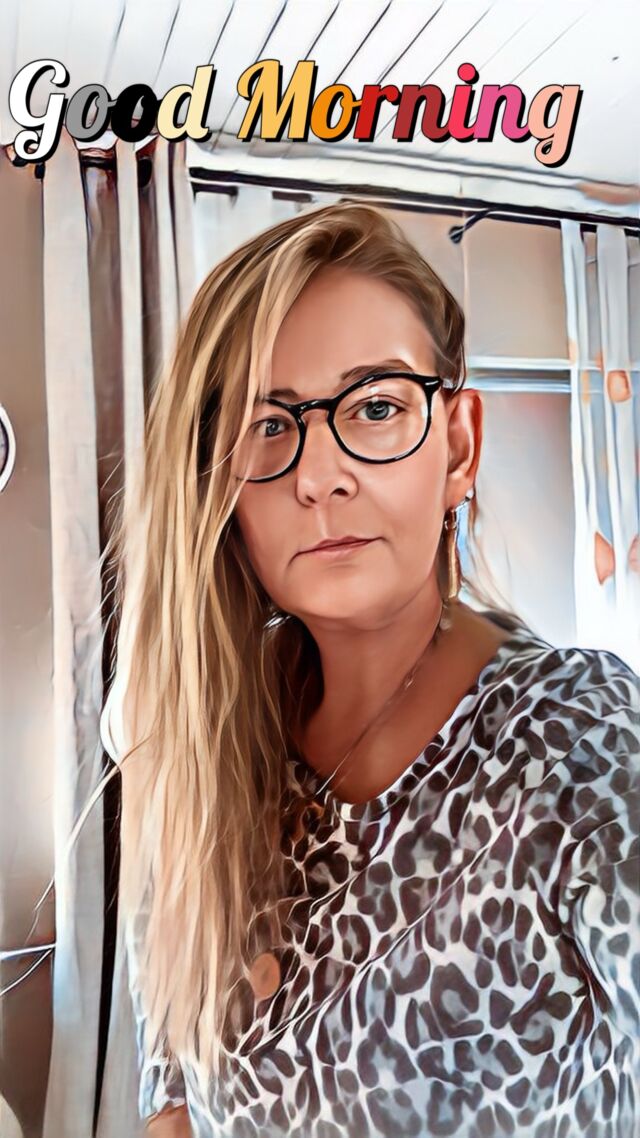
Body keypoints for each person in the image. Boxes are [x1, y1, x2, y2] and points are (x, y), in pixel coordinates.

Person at [100, 203, 640, 1138]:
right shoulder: (207, 750)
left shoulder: (577, 744)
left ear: (458, 447)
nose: (319, 476)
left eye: (377, 407)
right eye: (270, 425)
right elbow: (177, 1095)